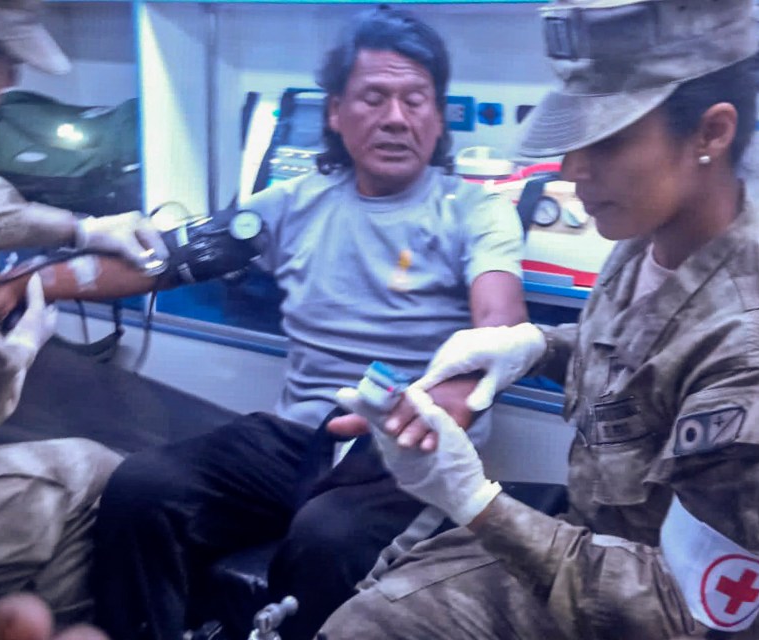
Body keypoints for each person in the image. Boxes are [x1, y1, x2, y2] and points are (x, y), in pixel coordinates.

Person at [319, 1, 759, 638]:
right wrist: (537, 346)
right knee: (374, 599)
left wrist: (475, 502)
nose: (572, 169)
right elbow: (661, 364)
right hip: (607, 549)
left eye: (609, 140)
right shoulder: (653, 237)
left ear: (711, 134)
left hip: (678, 614)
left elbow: (685, 613)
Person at [89, 7, 527, 640]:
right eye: (374, 98)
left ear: (437, 116)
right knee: (140, 490)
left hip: (405, 451)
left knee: (328, 539)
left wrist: (455, 396)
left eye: (416, 100)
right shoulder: (292, 203)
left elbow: (499, 319)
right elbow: (167, 261)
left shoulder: (474, 210)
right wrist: (32, 282)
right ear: (334, 113)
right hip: (297, 440)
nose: (397, 118)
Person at [0, 0, 166, 625]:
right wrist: (18, 350)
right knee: (96, 480)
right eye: (8, 68)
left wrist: (82, 227)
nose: (13, 88)